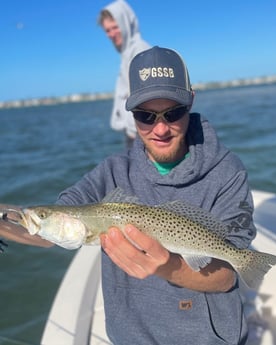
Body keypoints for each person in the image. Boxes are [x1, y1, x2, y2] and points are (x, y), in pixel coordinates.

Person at [0, 46, 257, 345]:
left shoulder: (229, 173)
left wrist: (165, 266)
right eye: (145, 116)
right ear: (130, 112)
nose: (160, 128)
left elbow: (227, 277)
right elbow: (50, 230)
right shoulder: (111, 171)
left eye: (173, 113)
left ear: (191, 102)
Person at [97, 0, 150, 148]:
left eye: (115, 27)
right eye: (107, 30)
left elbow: (147, 98)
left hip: (142, 136)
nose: (111, 34)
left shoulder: (139, 52)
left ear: (126, 23)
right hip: (135, 133)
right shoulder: (126, 54)